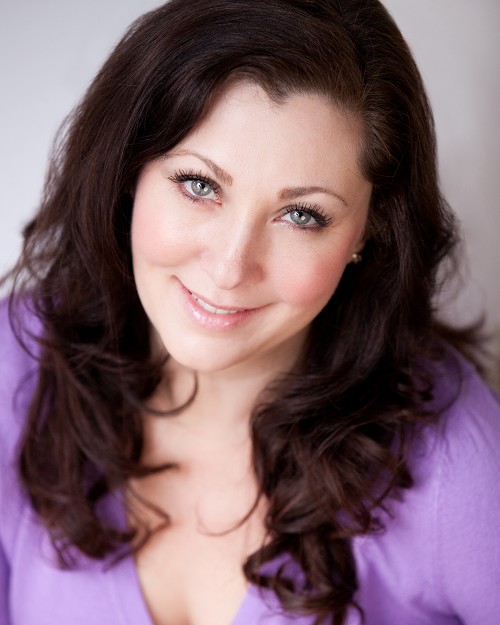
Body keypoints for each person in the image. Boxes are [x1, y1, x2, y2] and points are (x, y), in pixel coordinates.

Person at [1, 0, 499, 623]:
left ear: (368, 232)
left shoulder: (454, 459)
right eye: (199, 185)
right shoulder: (16, 364)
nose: (231, 268)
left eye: (302, 215)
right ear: (128, 169)